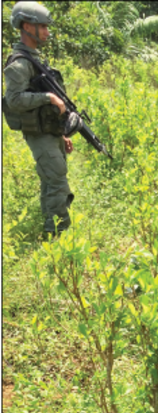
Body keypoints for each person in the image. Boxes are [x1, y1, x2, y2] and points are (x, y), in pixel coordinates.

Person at [3, 1, 74, 237]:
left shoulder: (35, 59)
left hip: (50, 130)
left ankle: (51, 229)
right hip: (38, 133)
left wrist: (62, 134)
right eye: (42, 26)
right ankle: (58, 235)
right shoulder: (20, 63)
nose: (47, 32)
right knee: (57, 181)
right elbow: (13, 100)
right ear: (26, 27)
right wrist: (48, 98)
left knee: (51, 179)